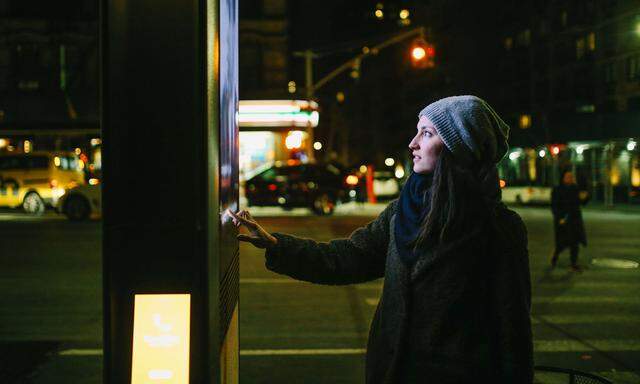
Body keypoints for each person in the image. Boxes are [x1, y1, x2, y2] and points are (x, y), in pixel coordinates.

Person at [229, 95, 533, 383]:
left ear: (458, 147)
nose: (413, 144)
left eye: (427, 133)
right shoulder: (403, 211)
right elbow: (348, 258)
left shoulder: (500, 228)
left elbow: (513, 332)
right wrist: (277, 245)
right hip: (390, 373)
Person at [550, 170, 588, 272]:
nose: (570, 178)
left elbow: (581, 202)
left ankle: (573, 263)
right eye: (568, 176)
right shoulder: (558, 189)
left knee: (574, 242)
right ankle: (555, 256)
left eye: (571, 176)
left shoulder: (575, 189)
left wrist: (585, 197)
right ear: (563, 178)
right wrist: (559, 217)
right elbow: (554, 205)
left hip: (574, 220)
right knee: (561, 243)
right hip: (562, 221)